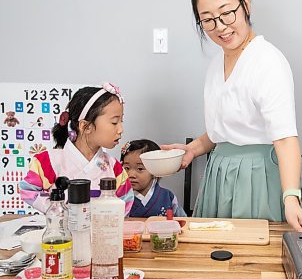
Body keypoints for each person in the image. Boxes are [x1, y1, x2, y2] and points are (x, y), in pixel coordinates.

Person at [163, 0, 302, 232]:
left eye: (227, 13)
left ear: (246, 4)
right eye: (208, 20)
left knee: (253, 259)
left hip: (256, 177)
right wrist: (195, 148)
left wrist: (291, 197)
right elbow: (224, 129)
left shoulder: (267, 61)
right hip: (219, 174)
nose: (220, 27)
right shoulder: (215, 65)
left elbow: (285, 137)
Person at [20, 83, 133, 215]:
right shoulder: (47, 161)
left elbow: (126, 201)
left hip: (100, 233)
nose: (120, 130)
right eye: (114, 122)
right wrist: (55, 208)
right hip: (61, 233)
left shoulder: (115, 168)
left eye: (121, 121)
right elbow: (28, 190)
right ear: (86, 126)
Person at [120, 139, 186, 217]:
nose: (131, 174)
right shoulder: (120, 198)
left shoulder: (168, 197)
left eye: (140, 169)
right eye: (127, 168)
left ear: (155, 169)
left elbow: (183, 221)